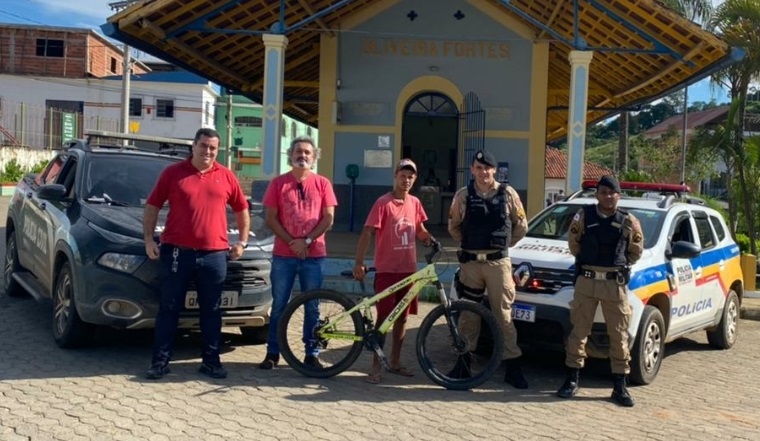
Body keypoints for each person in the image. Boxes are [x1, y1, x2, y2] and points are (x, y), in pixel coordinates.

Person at [143, 127, 250, 380]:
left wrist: (242, 242)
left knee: (212, 311)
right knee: (169, 308)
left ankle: (211, 362)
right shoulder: (173, 173)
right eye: (204, 146)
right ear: (193, 146)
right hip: (177, 253)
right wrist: (148, 239)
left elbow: (241, 209)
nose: (208, 151)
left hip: (214, 255)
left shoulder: (226, 176)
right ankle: (159, 363)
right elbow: (152, 205)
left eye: (213, 148)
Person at [556, 175, 644, 407]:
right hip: (587, 281)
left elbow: (635, 251)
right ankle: (572, 380)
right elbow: (574, 244)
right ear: (597, 195)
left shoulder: (629, 221)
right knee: (579, 332)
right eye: (603, 192)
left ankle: (619, 386)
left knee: (619, 334)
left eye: (612, 192)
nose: (608, 196)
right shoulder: (583, 216)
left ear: (619, 195)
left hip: (615, 284)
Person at [447, 149, 529, 388]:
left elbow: (520, 226)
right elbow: (454, 227)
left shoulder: (508, 194)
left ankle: (512, 366)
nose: (483, 172)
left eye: (487, 168)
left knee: (503, 315)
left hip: (497, 264)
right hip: (471, 263)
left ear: (495, 170)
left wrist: (501, 246)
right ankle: (463, 363)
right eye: (478, 168)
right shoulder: (463, 195)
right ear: (472, 169)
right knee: (468, 314)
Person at [258, 136, 337, 369]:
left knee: (312, 305)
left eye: (307, 153)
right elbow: (271, 218)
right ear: (290, 155)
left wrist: (307, 240)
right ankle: (273, 352)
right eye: (298, 152)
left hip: (314, 256)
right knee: (280, 304)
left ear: (314, 158)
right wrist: (293, 242)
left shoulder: (323, 183)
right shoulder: (277, 184)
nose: (302, 156)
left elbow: (329, 218)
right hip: (284, 255)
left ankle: (311, 353)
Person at [352, 159, 433, 384]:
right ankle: (375, 367)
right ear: (395, 176)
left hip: (409, 270)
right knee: (384, 319)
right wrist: (359, 261)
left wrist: (429, 239)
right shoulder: (383, 203)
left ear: (414, 180)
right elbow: (368, 232)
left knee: (402, 319)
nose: (406, 180)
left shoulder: (415, 202)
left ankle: (395, 362)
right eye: (402, 175)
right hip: (387, 270)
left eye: (410, 177)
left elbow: (419, 228)